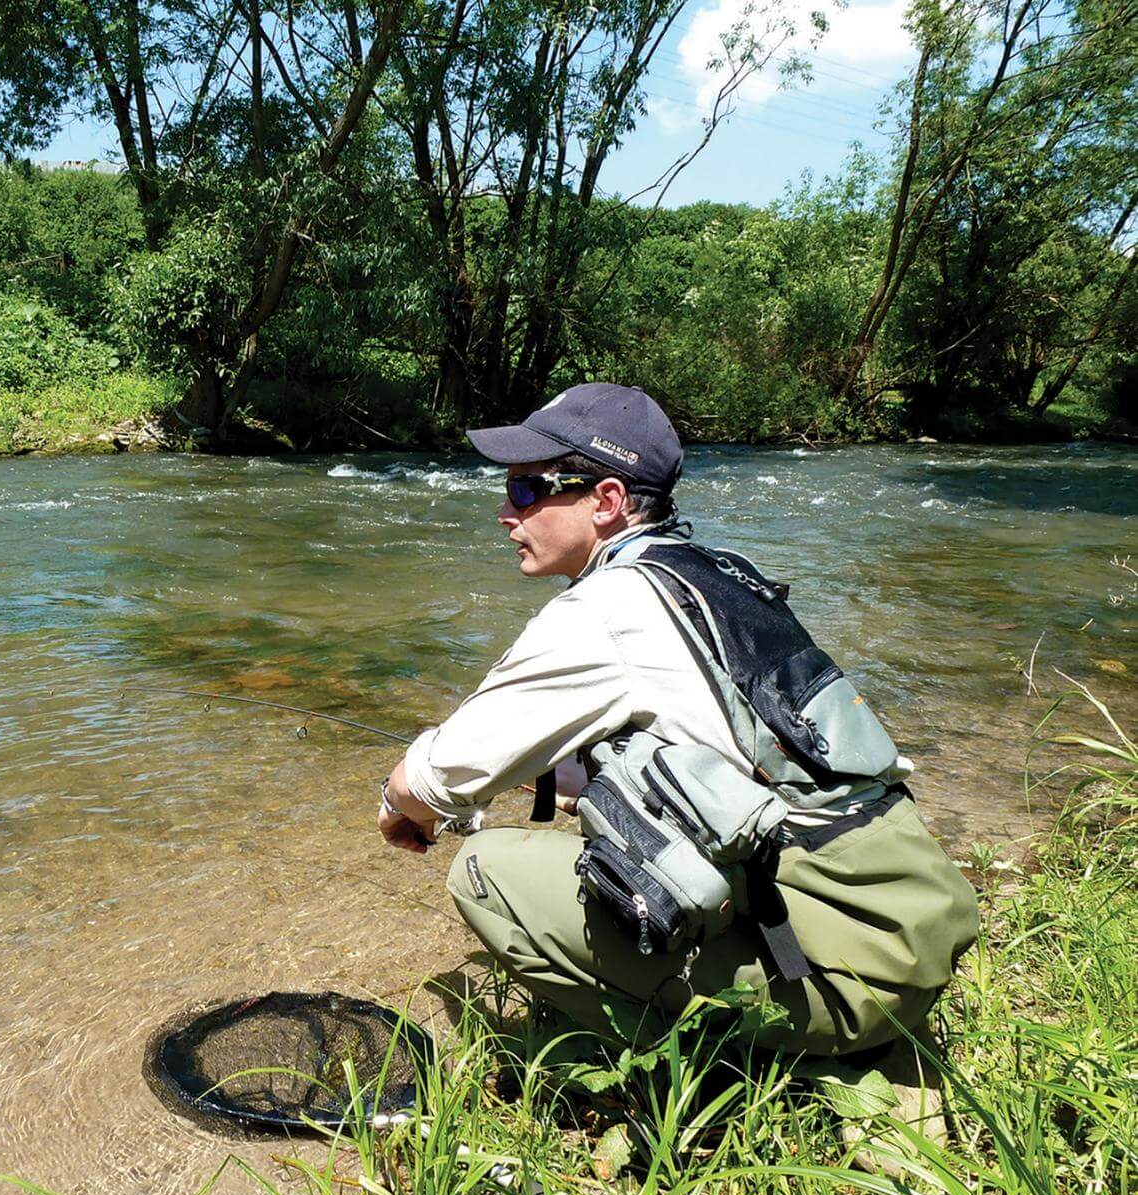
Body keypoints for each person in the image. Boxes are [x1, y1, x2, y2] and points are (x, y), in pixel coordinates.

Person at [377, 383, 979, 1056]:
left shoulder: (603, 611)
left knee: (485, 871)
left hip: (844, 972)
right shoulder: (708, 572)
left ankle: (694, 1064)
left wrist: (400, 806)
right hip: (903, 929)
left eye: (525, 491)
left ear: (604, 501)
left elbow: (429, 781)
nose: (503, 512)